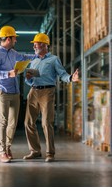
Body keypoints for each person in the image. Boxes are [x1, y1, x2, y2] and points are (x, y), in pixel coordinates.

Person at [23, 33, 79, 162]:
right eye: (34, 44)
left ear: (44, 44)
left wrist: (71, 78)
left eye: (36, 44)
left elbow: (62, 74)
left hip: (47, 92)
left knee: (46, 123)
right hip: (33, 92)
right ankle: (35, 151)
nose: (34, 46)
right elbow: (29, 80)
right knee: (28, 122)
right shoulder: (33, 60)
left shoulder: (54, 59)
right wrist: (29, 79)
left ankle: (50, 153)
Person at [0, 26, 36, 163]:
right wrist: (8, 74)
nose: (16, 40)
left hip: (15, 92)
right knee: (3, 122)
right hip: (2, 91)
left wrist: (38, 56)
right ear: (8, 38)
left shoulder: (13, 52)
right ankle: (2, 152)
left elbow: (24, 57)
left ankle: (8, 147)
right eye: (14, 38)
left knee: (13, 123)